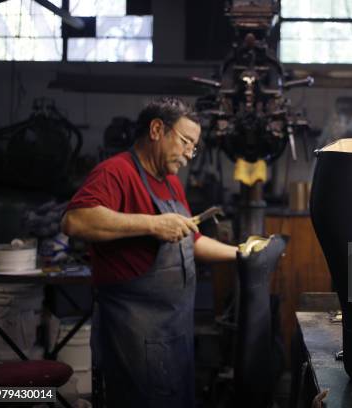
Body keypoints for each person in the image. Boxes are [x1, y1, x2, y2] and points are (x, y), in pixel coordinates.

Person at [61, 97, 238, 407]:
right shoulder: (115, 172)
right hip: (130, 336)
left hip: (174, 333)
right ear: (157, 129)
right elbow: (75, 220)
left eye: (193, 147)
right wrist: (153, 225)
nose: (188, 154)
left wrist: (241, 254)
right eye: (185, 142)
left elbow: (191, 241)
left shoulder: (171, 184)